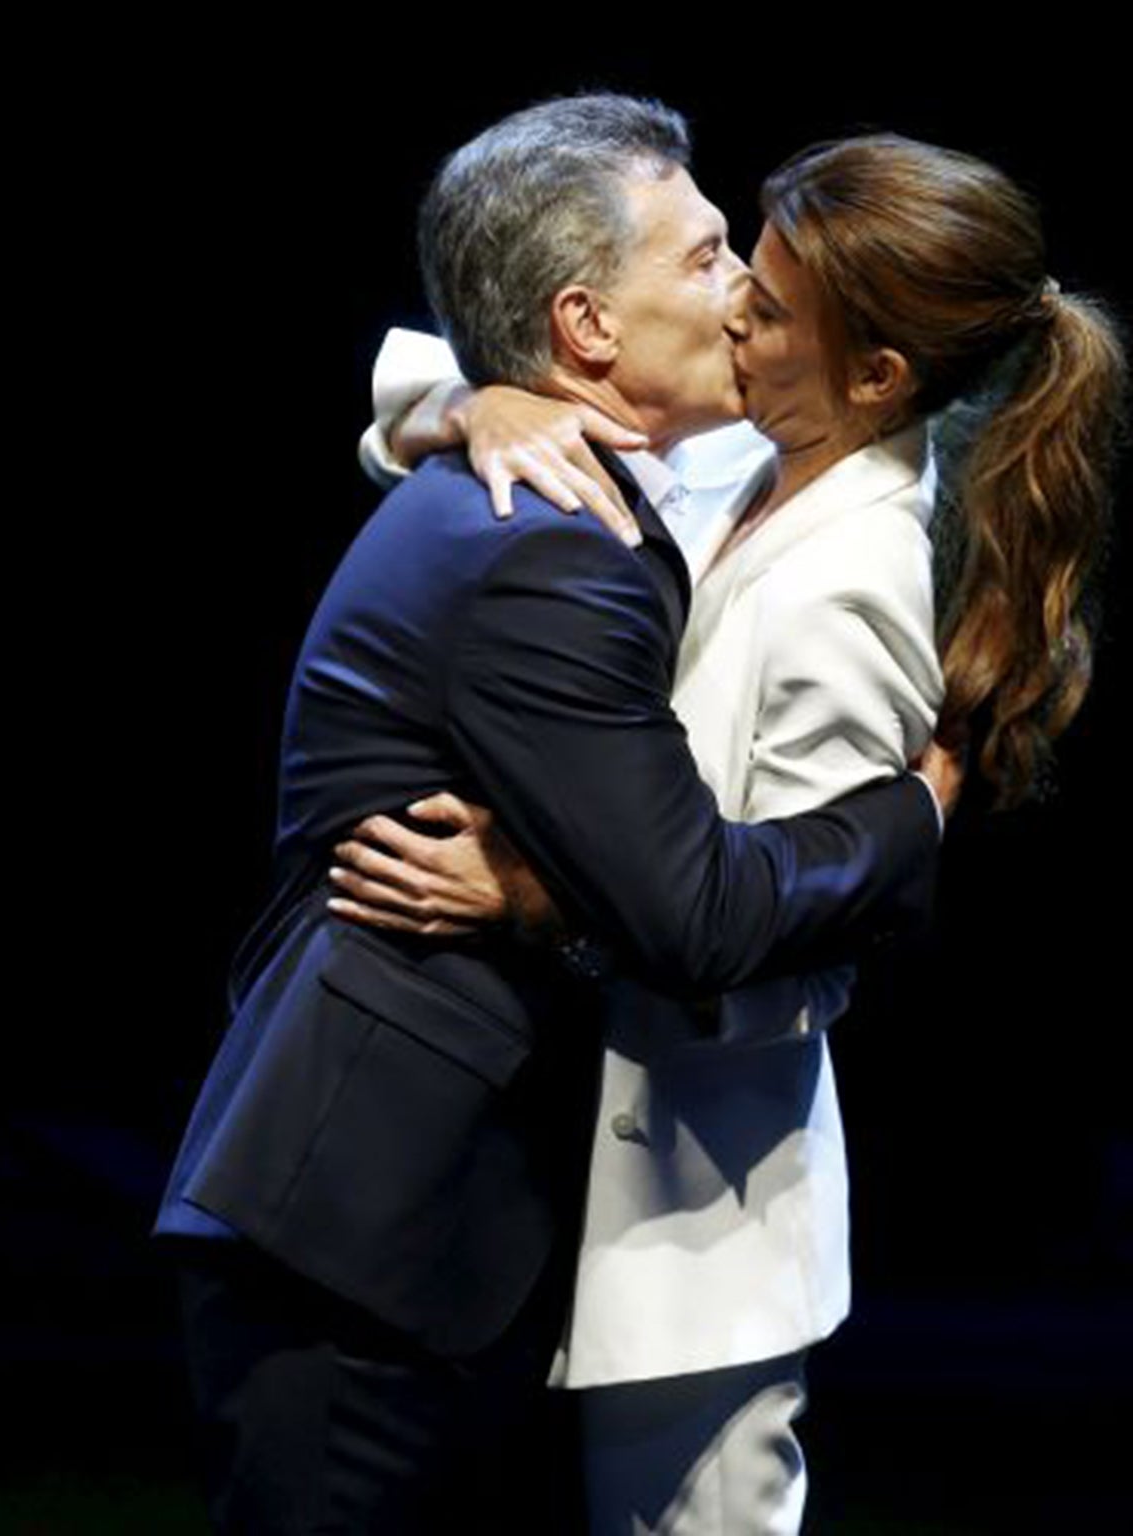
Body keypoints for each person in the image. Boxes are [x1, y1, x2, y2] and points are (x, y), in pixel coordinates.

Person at [154, 95, 956, 1534]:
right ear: (589, 328)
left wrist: (473, 391)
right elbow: (697, 912)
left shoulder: (617, 474)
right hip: (369, 1237)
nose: (746, 298)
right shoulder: (553, 546)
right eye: (710, 262)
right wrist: (913, 815)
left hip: (406, 1227)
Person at [336, 135, 1123, 1531]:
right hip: (567, 1197)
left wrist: (544, 901)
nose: (723, 315)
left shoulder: (853, 588)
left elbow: (799, 964)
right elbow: (404, 386)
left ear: (875, 377)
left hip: (699, 1242)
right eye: (726, 274)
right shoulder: (743, 466)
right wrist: (478, 398)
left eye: (757, 303)